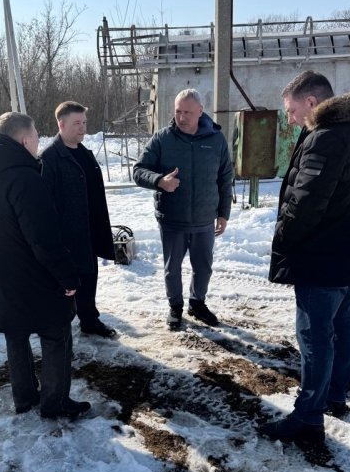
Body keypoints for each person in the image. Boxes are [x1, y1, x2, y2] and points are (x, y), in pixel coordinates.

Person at [262, 71, 350, 444]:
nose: (291, 119)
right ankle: (334, 394)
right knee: (342, 327)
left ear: (312, 103)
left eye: (292, 110)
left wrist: (282, 239)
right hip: (348, 253)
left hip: (321, 257)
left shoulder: (325, 139)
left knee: (315, 338)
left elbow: (306, 204)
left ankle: (308, 419)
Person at [0, 111, 90, 419]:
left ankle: (24, 397)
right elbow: (43, 239)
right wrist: (68, 278)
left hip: (1, 276)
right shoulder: (26, 179)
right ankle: (55, 403)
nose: (38, 142)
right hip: (33, 279)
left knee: (15, 335)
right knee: (56, 336)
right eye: (37, 136)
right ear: (25, 140)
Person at [133, 88, 233, 330]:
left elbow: (225, 178)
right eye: (178, 111)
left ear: (200, 112)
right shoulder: (162, 139)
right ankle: (175, 307)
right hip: (173, 218)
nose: (182, 116)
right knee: (172, 268)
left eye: (188, 112)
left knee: (203, 267)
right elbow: (138, 170)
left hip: (204, 219)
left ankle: (197, 303)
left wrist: (223, 213)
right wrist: (160, 181)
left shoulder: (215, 140)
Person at [40, 101, 116, 339]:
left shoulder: (84, 153)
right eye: (77, 123)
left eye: (84, 122)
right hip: (66, 234)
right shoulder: (50, 158)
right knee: (67, 283)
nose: (83, 128)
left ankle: (89, 320)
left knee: (89, 275)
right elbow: (44, 204)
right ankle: (59, 330)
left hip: (89, 229)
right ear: (61, 124)